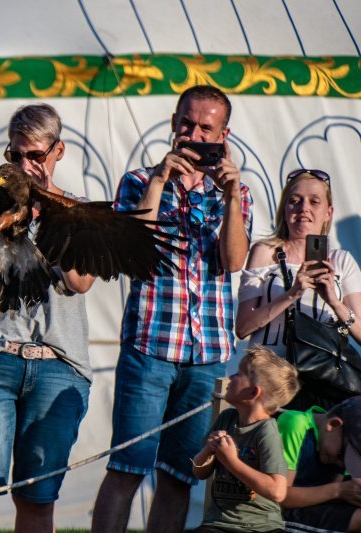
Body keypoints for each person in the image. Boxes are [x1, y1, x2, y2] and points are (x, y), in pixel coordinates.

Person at [92, 85, 253, 533]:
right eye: (187, 123)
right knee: (127, 467)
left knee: (180, 476)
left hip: (206, 356)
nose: (194, 134)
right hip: (151, 347)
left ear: (224, 134)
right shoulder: (139, 181)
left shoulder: (236, 193)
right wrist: (161, 180)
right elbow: (131, 252)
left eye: (206, 127)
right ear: (173, 123)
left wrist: (232, 196)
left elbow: (234, 261)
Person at [0, 103, 95, 533]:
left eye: (35, 156)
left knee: (37, 499)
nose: (25, 165)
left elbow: (80, 281)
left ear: (58, 152)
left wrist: (49, 213)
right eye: (15, 155)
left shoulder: (78, 210)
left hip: (57, 365)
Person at [236, 169, 361, 407]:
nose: (303, 208)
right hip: (269, 381)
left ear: (328, 212)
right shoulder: (265, 253)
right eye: (294, 201)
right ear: (284, 209)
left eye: (314, 201)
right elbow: (243, 327)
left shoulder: (341, 260)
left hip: (323, 379)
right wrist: (291, 293)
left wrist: (335, 302)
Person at [191, 346, 299, 533]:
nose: (231, 378)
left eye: (238, 374)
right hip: (219, 524)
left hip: (262, 527)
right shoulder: (226, 418)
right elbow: (199, 473)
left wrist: (231, 461)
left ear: (252, 393)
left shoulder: (266, 431)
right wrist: (208, 451)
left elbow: (278, 491)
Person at [276, 395, 361, 532]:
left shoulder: (344, 446)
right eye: (342, 456)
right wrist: (340, 490)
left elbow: (331, 496)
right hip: (281, 511)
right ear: (333, 425)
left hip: (315, 506)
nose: (341, 464)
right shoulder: (296, 424)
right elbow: (279, 496)